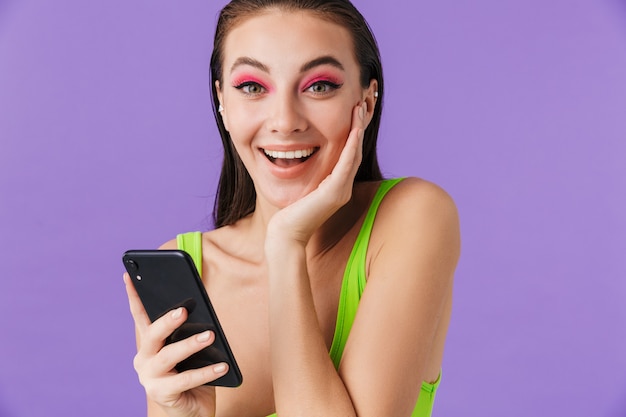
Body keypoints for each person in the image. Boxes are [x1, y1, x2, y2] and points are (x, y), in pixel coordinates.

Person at [124, 0, 460, 416]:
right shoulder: (188, 270)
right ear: (222, 102)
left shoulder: (413, 216)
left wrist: (285, 245)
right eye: (252, 87)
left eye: (319, 85)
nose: (285, 120)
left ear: (367, 102)